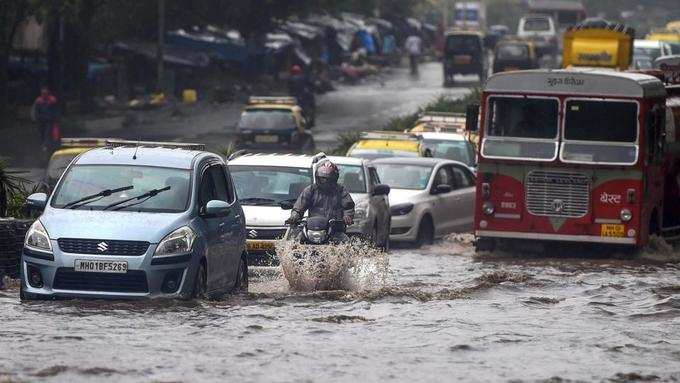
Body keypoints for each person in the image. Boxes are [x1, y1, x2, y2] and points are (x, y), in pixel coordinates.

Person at [286, 161, 355, 243]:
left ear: (334, 178)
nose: (324, 181)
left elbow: (348, 207)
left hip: (335, 229)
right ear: (317, 177)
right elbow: (299, 207)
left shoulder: (341, 190)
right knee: (294, 242)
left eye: (327, 178)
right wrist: (294, 216)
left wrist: (348, 216)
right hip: (312, 229)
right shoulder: (310, 190)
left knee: (346, 243)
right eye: (322, 178)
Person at [33, 86, 59, 152]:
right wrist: (37, 117)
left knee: (47, 133)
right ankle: (44, 144)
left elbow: (55, 110)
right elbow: (36, 110)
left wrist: (55, 118)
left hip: (49, 120)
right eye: (43, 93)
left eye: (45, 93)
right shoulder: (38, 100)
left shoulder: (52, 100)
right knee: (42, 133)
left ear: (48, 93)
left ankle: (45, 145)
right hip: (41, 120)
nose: (44, 95)